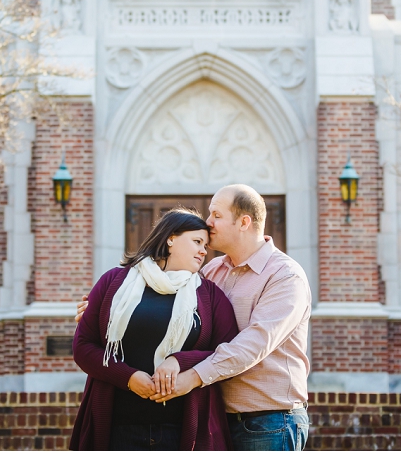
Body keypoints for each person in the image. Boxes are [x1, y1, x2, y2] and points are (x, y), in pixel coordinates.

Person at [78, 185, 313, 451]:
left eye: (216, 215)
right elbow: (172, 314)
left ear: (244, 222)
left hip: (267, 419)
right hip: (216, 416)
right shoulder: (211, 272)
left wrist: (187, 374)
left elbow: (252, 344)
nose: (208, 222)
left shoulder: (284, 275)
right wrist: (100, 312)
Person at [70, 208, 240, 451]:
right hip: (117, 429)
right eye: (197, 241)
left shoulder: (210, 295)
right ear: (170, 238)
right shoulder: (114, 283)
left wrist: (178, 361)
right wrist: (128, 377)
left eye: (206, 244)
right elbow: (83, 347)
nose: (204, 250)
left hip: (182, 431)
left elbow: (228, 354)